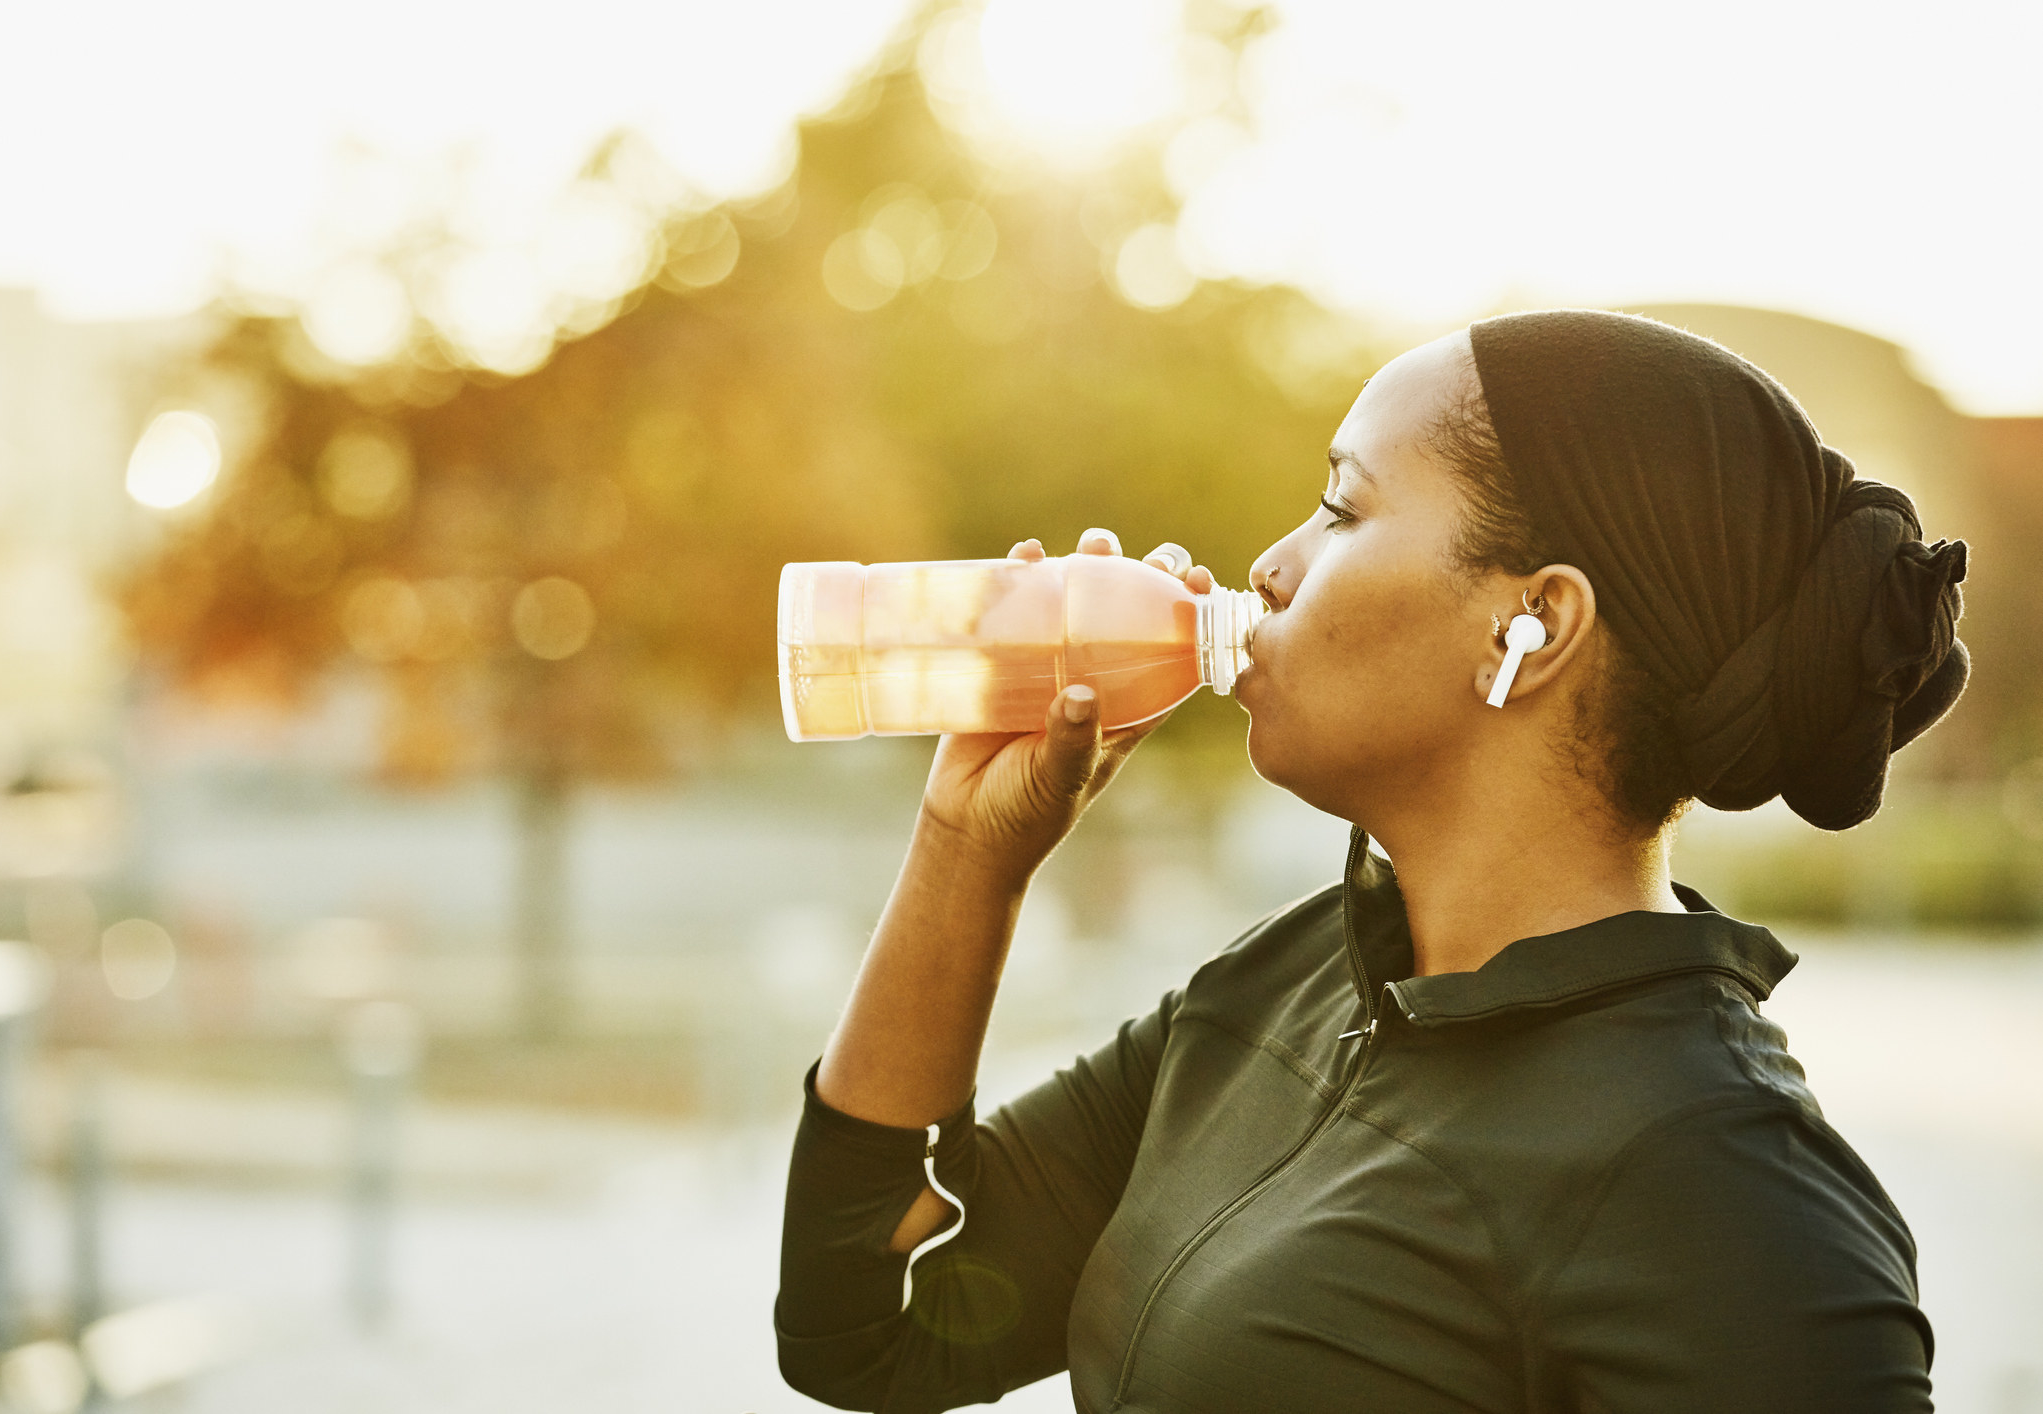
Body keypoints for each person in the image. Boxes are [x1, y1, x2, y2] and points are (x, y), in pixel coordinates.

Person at [774, 310, 1966, 1413]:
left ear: (1531, 626)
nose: (1271, 566)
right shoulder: (1285, 989)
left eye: (1340, 510)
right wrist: (969, 850)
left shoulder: (1727, 1186)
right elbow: (869, 1324)